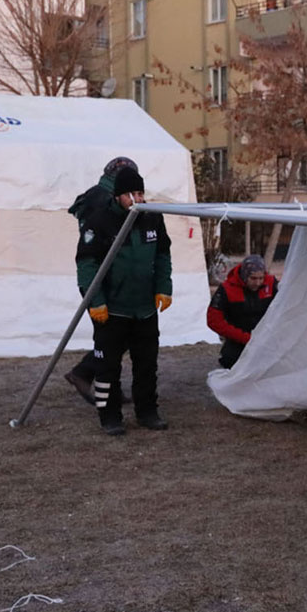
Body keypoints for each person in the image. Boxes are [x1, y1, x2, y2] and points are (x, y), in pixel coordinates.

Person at [69, 164, 172, 435]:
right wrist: (95, 301)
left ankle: (148, 411)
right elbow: (87, 264)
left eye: (140, 193)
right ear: (117, 196)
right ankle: (110, 416)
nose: (136, 199)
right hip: (112, 308)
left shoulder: (152, 217)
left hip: (144, 308)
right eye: (130, 194)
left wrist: (164, 286)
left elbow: (162, 255)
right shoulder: (99, 221)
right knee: (107, 368)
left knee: (147, 365)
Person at [64, 157, 139, 406]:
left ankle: (112, 391)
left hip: (108, 274)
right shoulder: (102, 199)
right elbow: (97, 242)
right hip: (102, 276)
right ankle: (83, 373)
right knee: (111, 338)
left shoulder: (100, 194)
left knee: (117, 335)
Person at [206, 254, 278, 368]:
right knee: (230, 363)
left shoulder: (272, 283)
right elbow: (213, 320)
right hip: (239, 339)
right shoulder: (227, 289)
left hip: (266, 338)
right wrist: (245, 338)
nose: (258, 283)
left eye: (261, 278)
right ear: (244, 275)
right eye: (253, 278)